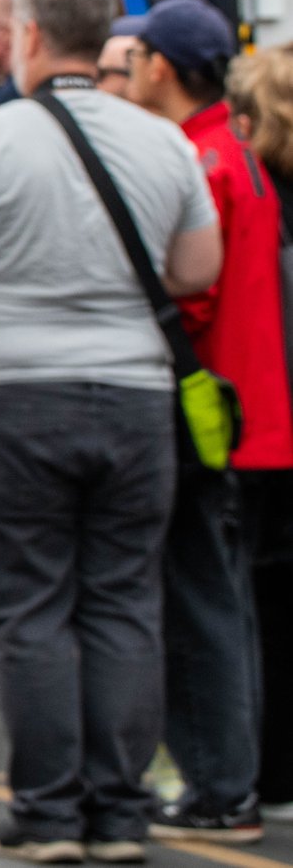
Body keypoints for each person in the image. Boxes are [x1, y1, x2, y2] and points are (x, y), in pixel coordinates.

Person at [0, 0, 222, 863]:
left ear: (28, 34)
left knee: (30, 604)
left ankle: (47, 809)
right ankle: (118, 812)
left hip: (14, 388)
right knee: (124, 600)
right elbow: (195, 271)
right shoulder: (166, 144)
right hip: (136, 395)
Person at [119, 0, 285, 843]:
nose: (129, 65)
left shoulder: (202, 156)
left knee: (199, 602)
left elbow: (194, 287)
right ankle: (236, 776)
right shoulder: (233, 148)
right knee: (225, 598)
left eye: (137, 53)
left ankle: (221, 783)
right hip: (247, 408)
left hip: (208, 407)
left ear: (163, 67)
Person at [225, 46, 293, 821]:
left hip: (260, 415)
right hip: (270, 411)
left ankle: (266, 767)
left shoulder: (247, 186)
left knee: (254, 596)